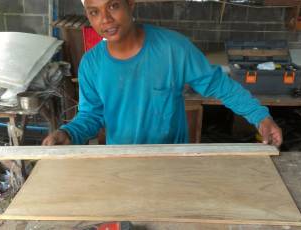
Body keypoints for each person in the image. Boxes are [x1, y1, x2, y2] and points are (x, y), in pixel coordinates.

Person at [42, 0, 282, 147]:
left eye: (113, 5)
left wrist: (260, 117)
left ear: (131, 4)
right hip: (121, 161)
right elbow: (91, 116)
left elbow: (219, 85)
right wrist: (68, 133)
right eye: (94, 12)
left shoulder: (172, 48)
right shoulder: (91, 64)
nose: (105, 19)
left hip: (173, 159)